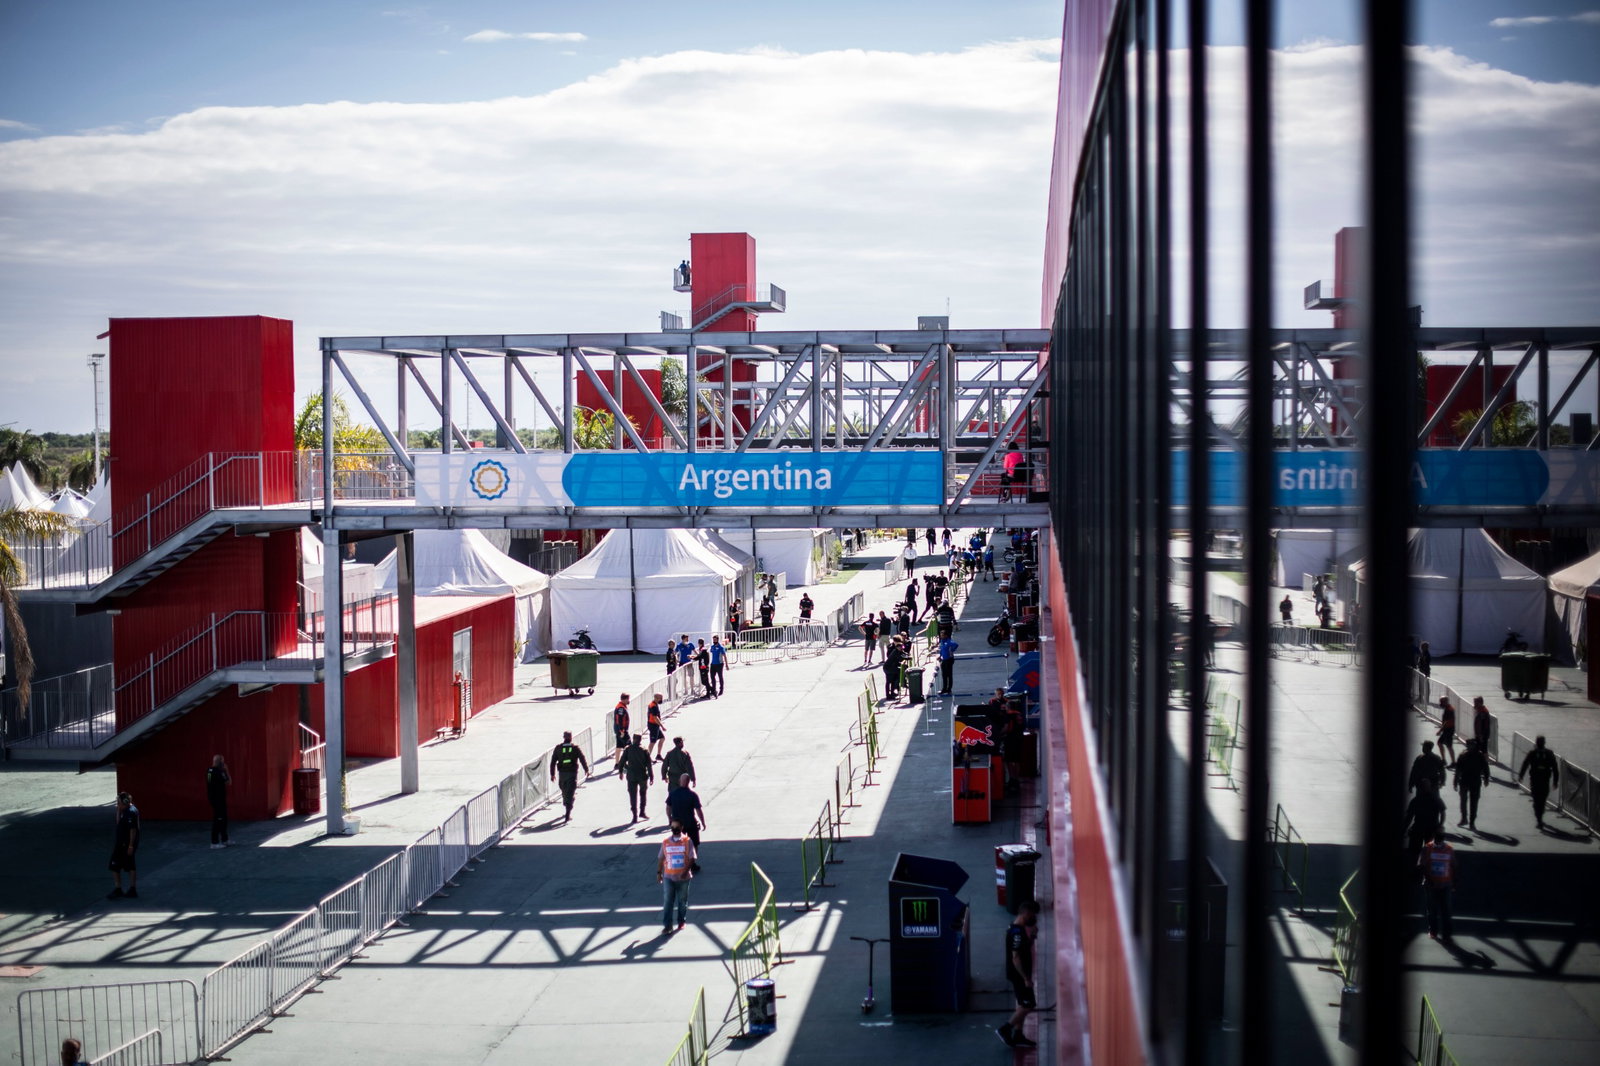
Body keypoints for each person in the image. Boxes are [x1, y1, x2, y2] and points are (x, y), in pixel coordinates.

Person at [998, 899, 1040, 1048]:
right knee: (1029, 1005)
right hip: (1019, 975)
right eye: (1033, 914)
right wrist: (1025, 978)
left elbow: (1023, 949)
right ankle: (1005, 1029)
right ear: (1026, 913)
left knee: (1022, 1003)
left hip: (1019, 974)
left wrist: (1033, 938)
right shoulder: (1016, 932)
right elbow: (1016, 957)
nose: (1034, 918)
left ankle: (1018, 1035)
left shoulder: (1018, 930)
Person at [657, 819, 698, 934]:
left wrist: (685, 871)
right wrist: (659, 872)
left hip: (683, 878)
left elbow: (692, 858)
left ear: (681, 828)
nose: (674, 829)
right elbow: (661, 858)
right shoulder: (665, 842)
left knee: (682, 900)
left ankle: (681, 921)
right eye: (672, 827)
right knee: (668, 901)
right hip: (669, 877)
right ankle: (668, 925)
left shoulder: (687, 841)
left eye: (677, 827)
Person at [1418, 830, 1457, 942]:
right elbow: (1422, 865)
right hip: (1431, 885)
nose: (1438, 842)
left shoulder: (1449, 849)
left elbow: (1454, 866)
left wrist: (1454, 881)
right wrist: (1428, 879)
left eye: (1440, 839)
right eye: (1437, 839)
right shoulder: (1428, 848)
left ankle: (1446, 934)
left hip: (1445, 884)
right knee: (1432, 910)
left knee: (1446, 910)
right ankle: (1433, 931)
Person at [1517, 734, 1560, 829]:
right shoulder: (1541, 753)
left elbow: (1525, 764)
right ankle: (1539, 818)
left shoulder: (1542, 753)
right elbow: (1555, 768)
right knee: (1540, 800)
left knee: (1539, 800)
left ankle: (1539, 817)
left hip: (1539, 781)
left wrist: (1521, 776)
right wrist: (1555, 781)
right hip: (1540, 781)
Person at [550, 730, 590, 822]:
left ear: (564, 737)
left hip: (562, 775)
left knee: (564, 791)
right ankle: (568, 813)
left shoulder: (558, 748)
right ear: (571, 738)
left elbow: (553, 762)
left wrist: (552, 774)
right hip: (572, 774)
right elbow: (582, 758)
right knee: (570, 793)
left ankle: (567, 809)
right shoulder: (575, 748)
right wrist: (586, 770)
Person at [108, 792, 140, 899]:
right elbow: (118, 822)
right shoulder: (124, 811)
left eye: (119, 803)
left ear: (125, 802)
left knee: (130, 865)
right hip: (120, 842)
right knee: (114, 865)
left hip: (126, 844)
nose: (118, 805)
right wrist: (118, 810)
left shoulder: (131, 812)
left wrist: (130, 845)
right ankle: (118, 888)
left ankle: (132, 889)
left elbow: (133, 830)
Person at [1403, 778, 1446, 855]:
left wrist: (1404, 829)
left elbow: (1409, 817)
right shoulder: (1436, 799)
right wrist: (1440, 825)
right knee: (1430, 852)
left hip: (1419, 828)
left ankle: (1414, 865)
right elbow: (1443, 812)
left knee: (1414, 852)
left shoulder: (1416, 800)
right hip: (1431, 828)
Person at [1453, 739, 1490, 829]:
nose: (1470, 746)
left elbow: (1485, 767)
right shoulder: (1462, 756)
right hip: (1464, 781)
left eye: (1472, 745)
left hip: (1475, 781)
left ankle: (1472, 821)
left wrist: (1486, 778)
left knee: (1474, 802)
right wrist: (1455, 781)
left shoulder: (1479, 756)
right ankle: (1464, 818)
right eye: (1469, 745)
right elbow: (1458, 770)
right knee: (1463, 801)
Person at [619, 733, 654, 822]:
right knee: (643, 794)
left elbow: (622, 762)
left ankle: (634, 815)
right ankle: (642, 812)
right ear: (640, 740)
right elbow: (649, 765)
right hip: (642, 776)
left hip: (631, 776)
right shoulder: (644, 750)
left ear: (633, 739)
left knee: (632, 795)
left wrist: (621, 772)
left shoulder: (628, 749)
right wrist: (651, 776)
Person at [665, 772, 706, 849]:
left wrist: (670, 819)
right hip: (690, 822)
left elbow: (668, 808)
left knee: (677, 843)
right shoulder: (693, 795)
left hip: (677, 823)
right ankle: (692, 859)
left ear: (679, 781)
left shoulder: (673, 794)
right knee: (694, 844)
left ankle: (680, 858)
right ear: (688, 782)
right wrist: (703, 822)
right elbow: (698, 811)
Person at [207, 754, 231, 849]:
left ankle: (225, 839)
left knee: (223, 818)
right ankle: (214, 842)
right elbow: (229, 782)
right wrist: (227, 770)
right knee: (218, 820)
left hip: (214, 798)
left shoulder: (209, 771)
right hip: (218, 799)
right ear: (220, 762)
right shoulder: (220, 771)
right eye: (222, 761)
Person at [611, 694, 632, 772]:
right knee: (629, 747)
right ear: (624, 699)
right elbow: (619, 720)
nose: (628, 700)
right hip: (622, 731)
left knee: (619, 746)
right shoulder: (621, 708)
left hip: (619, 730)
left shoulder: (621, 706)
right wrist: (622, 731)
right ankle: (624, 764)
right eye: (628, 699)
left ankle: (617, 763)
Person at [1436, 693, 1456, 768]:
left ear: (1445, 702)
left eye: (1441, 702)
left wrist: (1440, 730)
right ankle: (1444, 760)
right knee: (1440, 743)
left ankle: (1453, 762)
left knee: (1449, 746)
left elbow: (1446, 722)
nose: (1440, 703)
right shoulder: (1448, 708)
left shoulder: (1449, 710)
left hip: (1448, 730)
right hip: (1447, 729)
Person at [882, 635, 905, 699]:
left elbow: (904, 651)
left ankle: (893, 692)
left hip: (895, 665)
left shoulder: (901, 645)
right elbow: (889, 656)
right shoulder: (891, 647)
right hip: (889, 666)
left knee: (894, 679)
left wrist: (906, 656)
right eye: (896, 642)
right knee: (889, 681)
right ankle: (888, 695)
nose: (898, 644)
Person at [646, 695, 666, 761]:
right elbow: (655, 717)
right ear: (656, 698)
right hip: (653, 726)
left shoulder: (654, 704)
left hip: (655, 725)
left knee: (662, 738)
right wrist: (662, 726)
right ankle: (647, 757)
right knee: (652, 742)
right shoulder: (653, 706)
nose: (661, 700)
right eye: (660, 698)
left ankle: (658, 755)